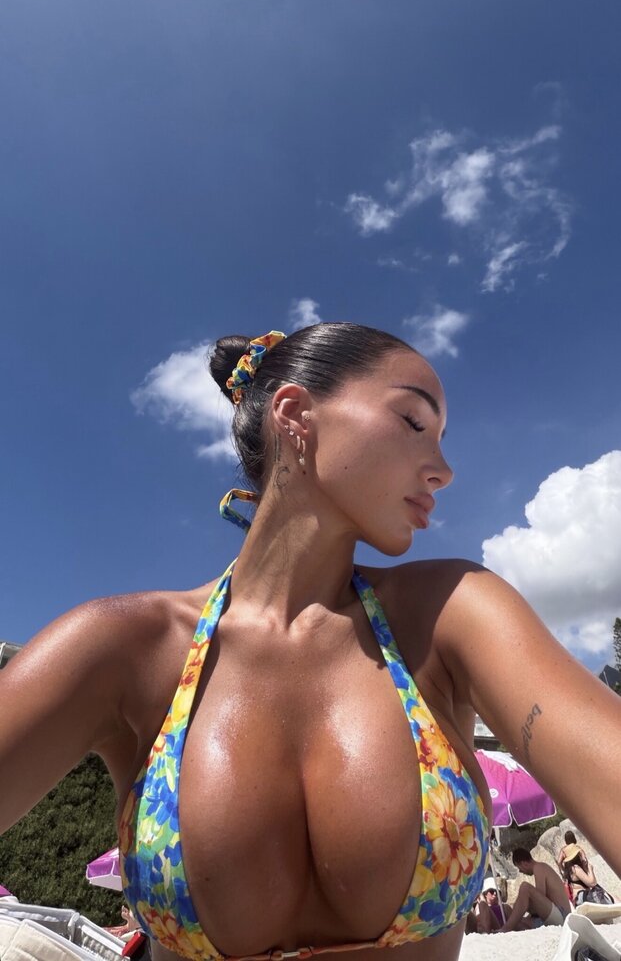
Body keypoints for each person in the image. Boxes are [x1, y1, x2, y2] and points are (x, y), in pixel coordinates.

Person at [1, 322, 621, 961]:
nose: (444, 471)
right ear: (296, 414)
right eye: (414, 422)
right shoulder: (125, 650)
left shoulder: (452, 616)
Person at [498, 847, 572, 931]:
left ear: (524, 863)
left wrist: (525, 905)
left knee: (525, 887)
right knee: (514, 918)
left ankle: (506, 928)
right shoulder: (541, 868)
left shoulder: (539, 867)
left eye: (519, 868)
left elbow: (539, 901)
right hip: (555, 915)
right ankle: (511, 926)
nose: (521, 871)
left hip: (561, 916)